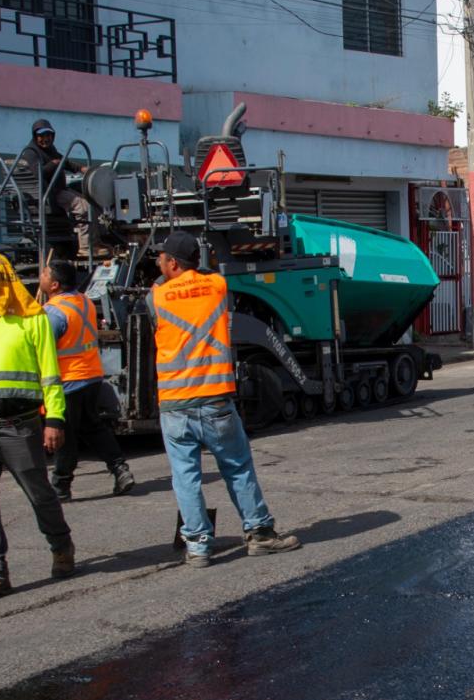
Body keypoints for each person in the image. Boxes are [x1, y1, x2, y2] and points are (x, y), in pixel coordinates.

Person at [150, 232, 301, 565]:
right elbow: (207, 275)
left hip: (175, 404)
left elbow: (162, 286)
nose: (158, 262)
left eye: (162, 258)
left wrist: (168, 275)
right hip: (216, 399)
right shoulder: (217, 287)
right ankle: (260, 533)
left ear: (173, 264)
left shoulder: (157, 297)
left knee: (185, 478)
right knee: (237, 468)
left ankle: (198, 547)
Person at [0, 248, 74, 602]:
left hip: (21, 427)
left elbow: (51, 377)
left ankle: (61, 545)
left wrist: (54, 419)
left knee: (40, 495)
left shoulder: (32, 319)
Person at [39, 257, 135, 501]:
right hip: (91, 376)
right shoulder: (84, 302)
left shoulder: (53, 313)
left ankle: (61, 485)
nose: (41, 276)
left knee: (65, 435)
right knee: (93, 427)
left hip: (67, 381)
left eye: (45, 274)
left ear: (55, 285)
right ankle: (119, 468)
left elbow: (41, 348)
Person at [13, 118, 97, 256]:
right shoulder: (31, 153)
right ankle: (86, 248)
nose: (45, 139)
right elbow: (38, 173)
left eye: (48, 135)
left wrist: (81, 168)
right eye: (41, 136)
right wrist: (53, 164)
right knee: (83, 206)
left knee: (92, 202)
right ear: (35, 137)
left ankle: (96, 243)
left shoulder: (51, 150)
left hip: (58, 190)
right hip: (49, 194)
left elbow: (64, 162)